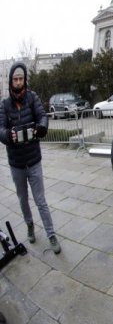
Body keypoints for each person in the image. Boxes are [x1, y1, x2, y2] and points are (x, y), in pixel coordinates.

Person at [0, 62, 61, 254]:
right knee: (23, 199)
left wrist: (42, 127)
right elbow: (0, 129)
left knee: (40, 200)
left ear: (25, 79)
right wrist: (8, 135)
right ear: (11, 81)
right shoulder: (4, 104)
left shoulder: (32, 97)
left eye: (21, 79)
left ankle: (51, 234)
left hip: (34, 160)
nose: (18, 82)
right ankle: (29, 225)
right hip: (16, 163)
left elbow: (43, 116)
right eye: (15, 79)